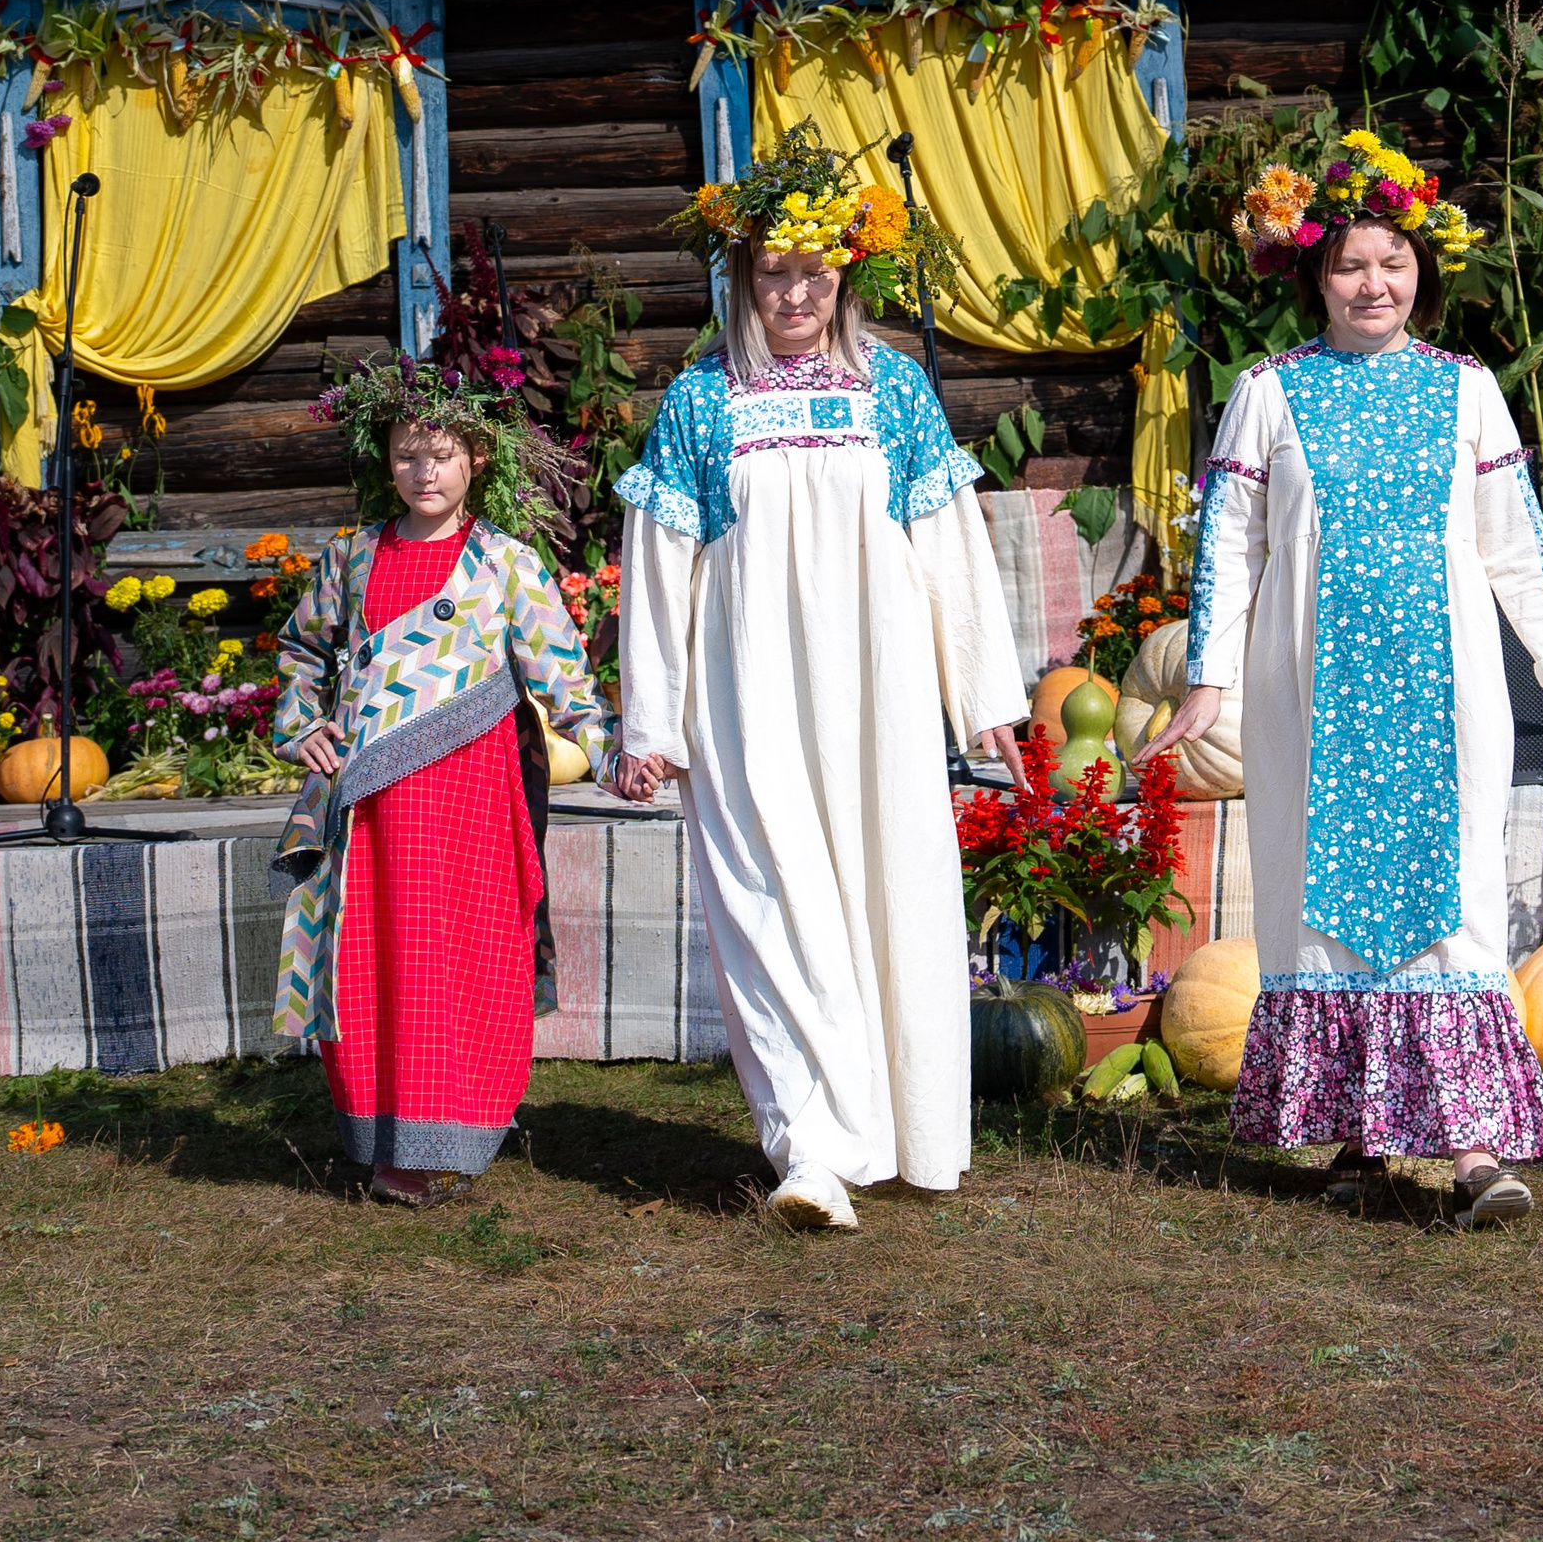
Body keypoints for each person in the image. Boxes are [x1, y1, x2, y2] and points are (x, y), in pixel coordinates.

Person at [1146, 132, 1543, 1225]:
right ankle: (1357, 1139)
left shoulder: (1467, 390)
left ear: (1419, 271)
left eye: (1391, 263)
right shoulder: (1268, 393)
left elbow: (1516, 542)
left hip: (1444, 688)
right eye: (1349, 266)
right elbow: (1228, 546)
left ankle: (1472, 1155)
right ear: (1312, 278)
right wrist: (1207, 679)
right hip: (1306, 697)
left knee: (1449, 902)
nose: (1373, 285)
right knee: (1316, 908)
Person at [611, 123, 1028, 1232]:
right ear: (743, 279)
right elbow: (659, 568)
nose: (792, 293)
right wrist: (649, 722)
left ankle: (901, 1130)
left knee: (887, 893)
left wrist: (986, 700)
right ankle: (804, 1147)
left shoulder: (893, 389)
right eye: (771, 273)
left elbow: (945, 541)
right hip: (744, 695)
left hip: (878, 696)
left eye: (811, 272)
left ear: (844, 273)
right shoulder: (703, 401)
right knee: (767, 902)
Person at [270, 358, 611, 1206]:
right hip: (372, 808)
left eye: (443, 455)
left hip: (470, 803)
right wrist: (304, 725)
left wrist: (612, 754)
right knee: (372, 961)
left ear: (477, 462)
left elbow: (564, 679)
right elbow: (301, 652)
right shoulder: (351, 558)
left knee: (457, 958)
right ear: (384, 460)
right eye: (407, 455)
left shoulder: (505, 564)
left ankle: (446, 1135)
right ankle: (384, 1142)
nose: (425, 472)